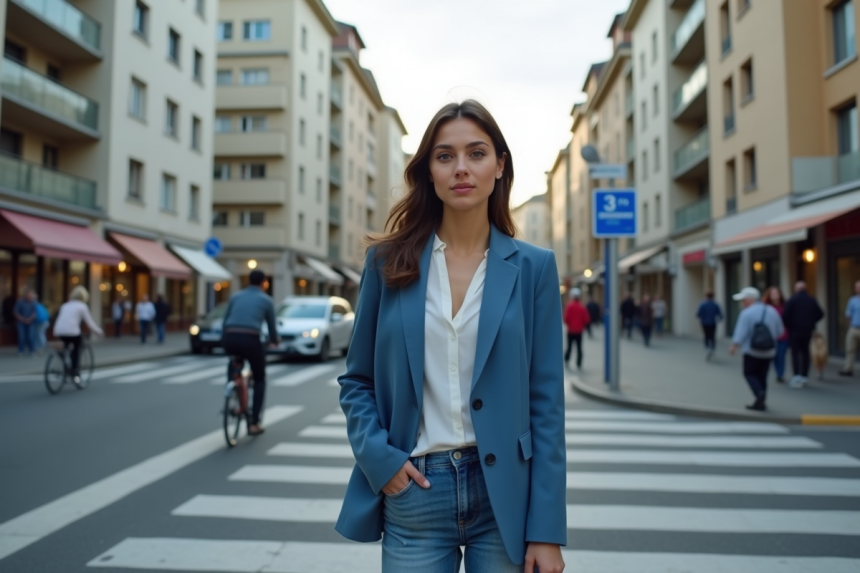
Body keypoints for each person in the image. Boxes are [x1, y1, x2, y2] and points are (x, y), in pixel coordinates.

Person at [335, 100, 566, 573]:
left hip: (506, 496)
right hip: (415, 490)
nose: (461, 168)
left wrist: (546, 529)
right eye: (445, 156)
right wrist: (381, 461)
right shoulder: (387, 263)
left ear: (499, 166)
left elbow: (547, 405)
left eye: (476, 153)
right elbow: (357, 381)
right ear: (429, 171)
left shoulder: (534, 267)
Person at [221, 269, 280, 436]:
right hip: (250, 340)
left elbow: (225, 321)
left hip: (229, 338)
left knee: (234, 362)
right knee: (259, 379)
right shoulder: (266, 300)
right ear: (264, 283)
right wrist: (275, 340)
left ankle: (232, 387)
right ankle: (254, 423)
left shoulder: (235, 296)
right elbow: (271, 327)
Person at [729, 287, 784, 411]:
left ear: (749, 300)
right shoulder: (771, 311)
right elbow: (780, 331)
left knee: (749, 373)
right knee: (762, 376)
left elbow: (740, 333)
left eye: (743, 300)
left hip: (751, 351)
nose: (742, 302)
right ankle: (761, 401)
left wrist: (734, 346)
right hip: (769, 351)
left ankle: (759, 394)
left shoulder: (746, 313)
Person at [52, 286, 104, 385]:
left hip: (59, 331)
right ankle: (74, 371)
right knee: (77, 348)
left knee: (66, 347)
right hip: (72, 332)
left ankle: (64, 361)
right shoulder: (82, 306)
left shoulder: (65, 305)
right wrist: (99, 332)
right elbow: (89, 323)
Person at [782, 281, 824, 388]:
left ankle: (797, 376)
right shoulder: (811, 300)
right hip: (807, 330)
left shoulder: (792, 300)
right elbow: (820, 314)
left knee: (795, 353)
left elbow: (785, 316)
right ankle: (804, 376)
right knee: (805, 353)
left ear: (796, 289)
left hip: (795, 331)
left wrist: (790, 325)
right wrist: (811, 322)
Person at [764, 286, 789, 383]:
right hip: (769, 336)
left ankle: (780, 374)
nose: (774, 295)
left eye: (776, 293)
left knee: (780, 355)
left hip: (783, 336)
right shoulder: (766, 307)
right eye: (772, 293)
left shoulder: (785, 306)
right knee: (771, 356)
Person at [564, 288, 590, 369]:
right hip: (579, 331)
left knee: (569, 347)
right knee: (579, 347)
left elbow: (566, 318)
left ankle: (567, 360)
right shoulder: (582, 307)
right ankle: (579, 363)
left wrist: (569, 324)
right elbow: (586, 319)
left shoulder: (569, 306)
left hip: (571, 330)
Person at [839, 280, 860, 377]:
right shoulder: (852, 300)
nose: (857, 289)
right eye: (856, 287)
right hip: (854, 328)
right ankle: (848, 369)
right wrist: (849, 325)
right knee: (850, 349)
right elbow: (848, 314)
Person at [696, 292, 723, 360]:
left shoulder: (703, 304)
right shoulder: (715, 304)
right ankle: (712, 349)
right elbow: (720, 314)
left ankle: (707, 348)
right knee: (712, 336)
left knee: (706, 336)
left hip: (704, 323)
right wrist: (719, 319)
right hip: (713, 323)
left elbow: (698, 314)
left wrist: (702, 318)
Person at [13, 288, 37, 356]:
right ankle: (21, 350)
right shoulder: (20, 302)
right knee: (22, 337)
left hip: (31, 322)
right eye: (29, 296)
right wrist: (23, 319)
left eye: (31, 296)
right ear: (26, 295)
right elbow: (16, 312)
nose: (30, 297)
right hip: (21, 322)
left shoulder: (33, 302)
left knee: (31, 336)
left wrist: (30, 318)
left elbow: (35, 312)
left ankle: (31, 350)